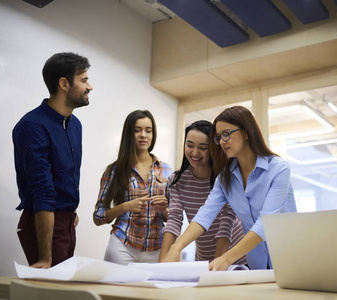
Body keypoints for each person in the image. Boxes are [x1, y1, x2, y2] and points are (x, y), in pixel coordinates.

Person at [160, 106, 297, 270]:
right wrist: (176, 248)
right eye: (219, 137)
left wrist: (225, 259)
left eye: (227, 134)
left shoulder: (278, 169)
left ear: (246, 132)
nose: (222, 141)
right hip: (257, 264)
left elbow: (265, 223)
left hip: (288, 259)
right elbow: (204, 215)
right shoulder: (225, 177)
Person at [13, 52, 92, 268]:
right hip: (44, 222)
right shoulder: (32, 126)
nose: (90, 86)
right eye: (84, 80)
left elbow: (65, 176)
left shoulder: (75, 124)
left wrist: (70, 211)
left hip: (66, 223)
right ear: (64, 84)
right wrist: (45, 258)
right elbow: (43, 191)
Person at [159, 120, 246, 264]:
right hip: (203, 259)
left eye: (203, 148)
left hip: (235, 257)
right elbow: (174, 219)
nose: (194, 153)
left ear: (213, 149)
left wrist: (219, 261)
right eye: (190, 145)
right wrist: (162, 263)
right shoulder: (177, 180)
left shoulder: (225, 176)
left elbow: (227, 220)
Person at [93, 110, 172, 265]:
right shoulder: (114, 170)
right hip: (122, 246)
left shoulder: (166, 170)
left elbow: (174, 218)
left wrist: (164, 210)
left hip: (157, 249)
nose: (143, 135)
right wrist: (124, 207)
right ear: (129, 134)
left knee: (152, 289)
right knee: (118, 290)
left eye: (148, 131)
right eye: (137, 130)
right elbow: (98, 216)